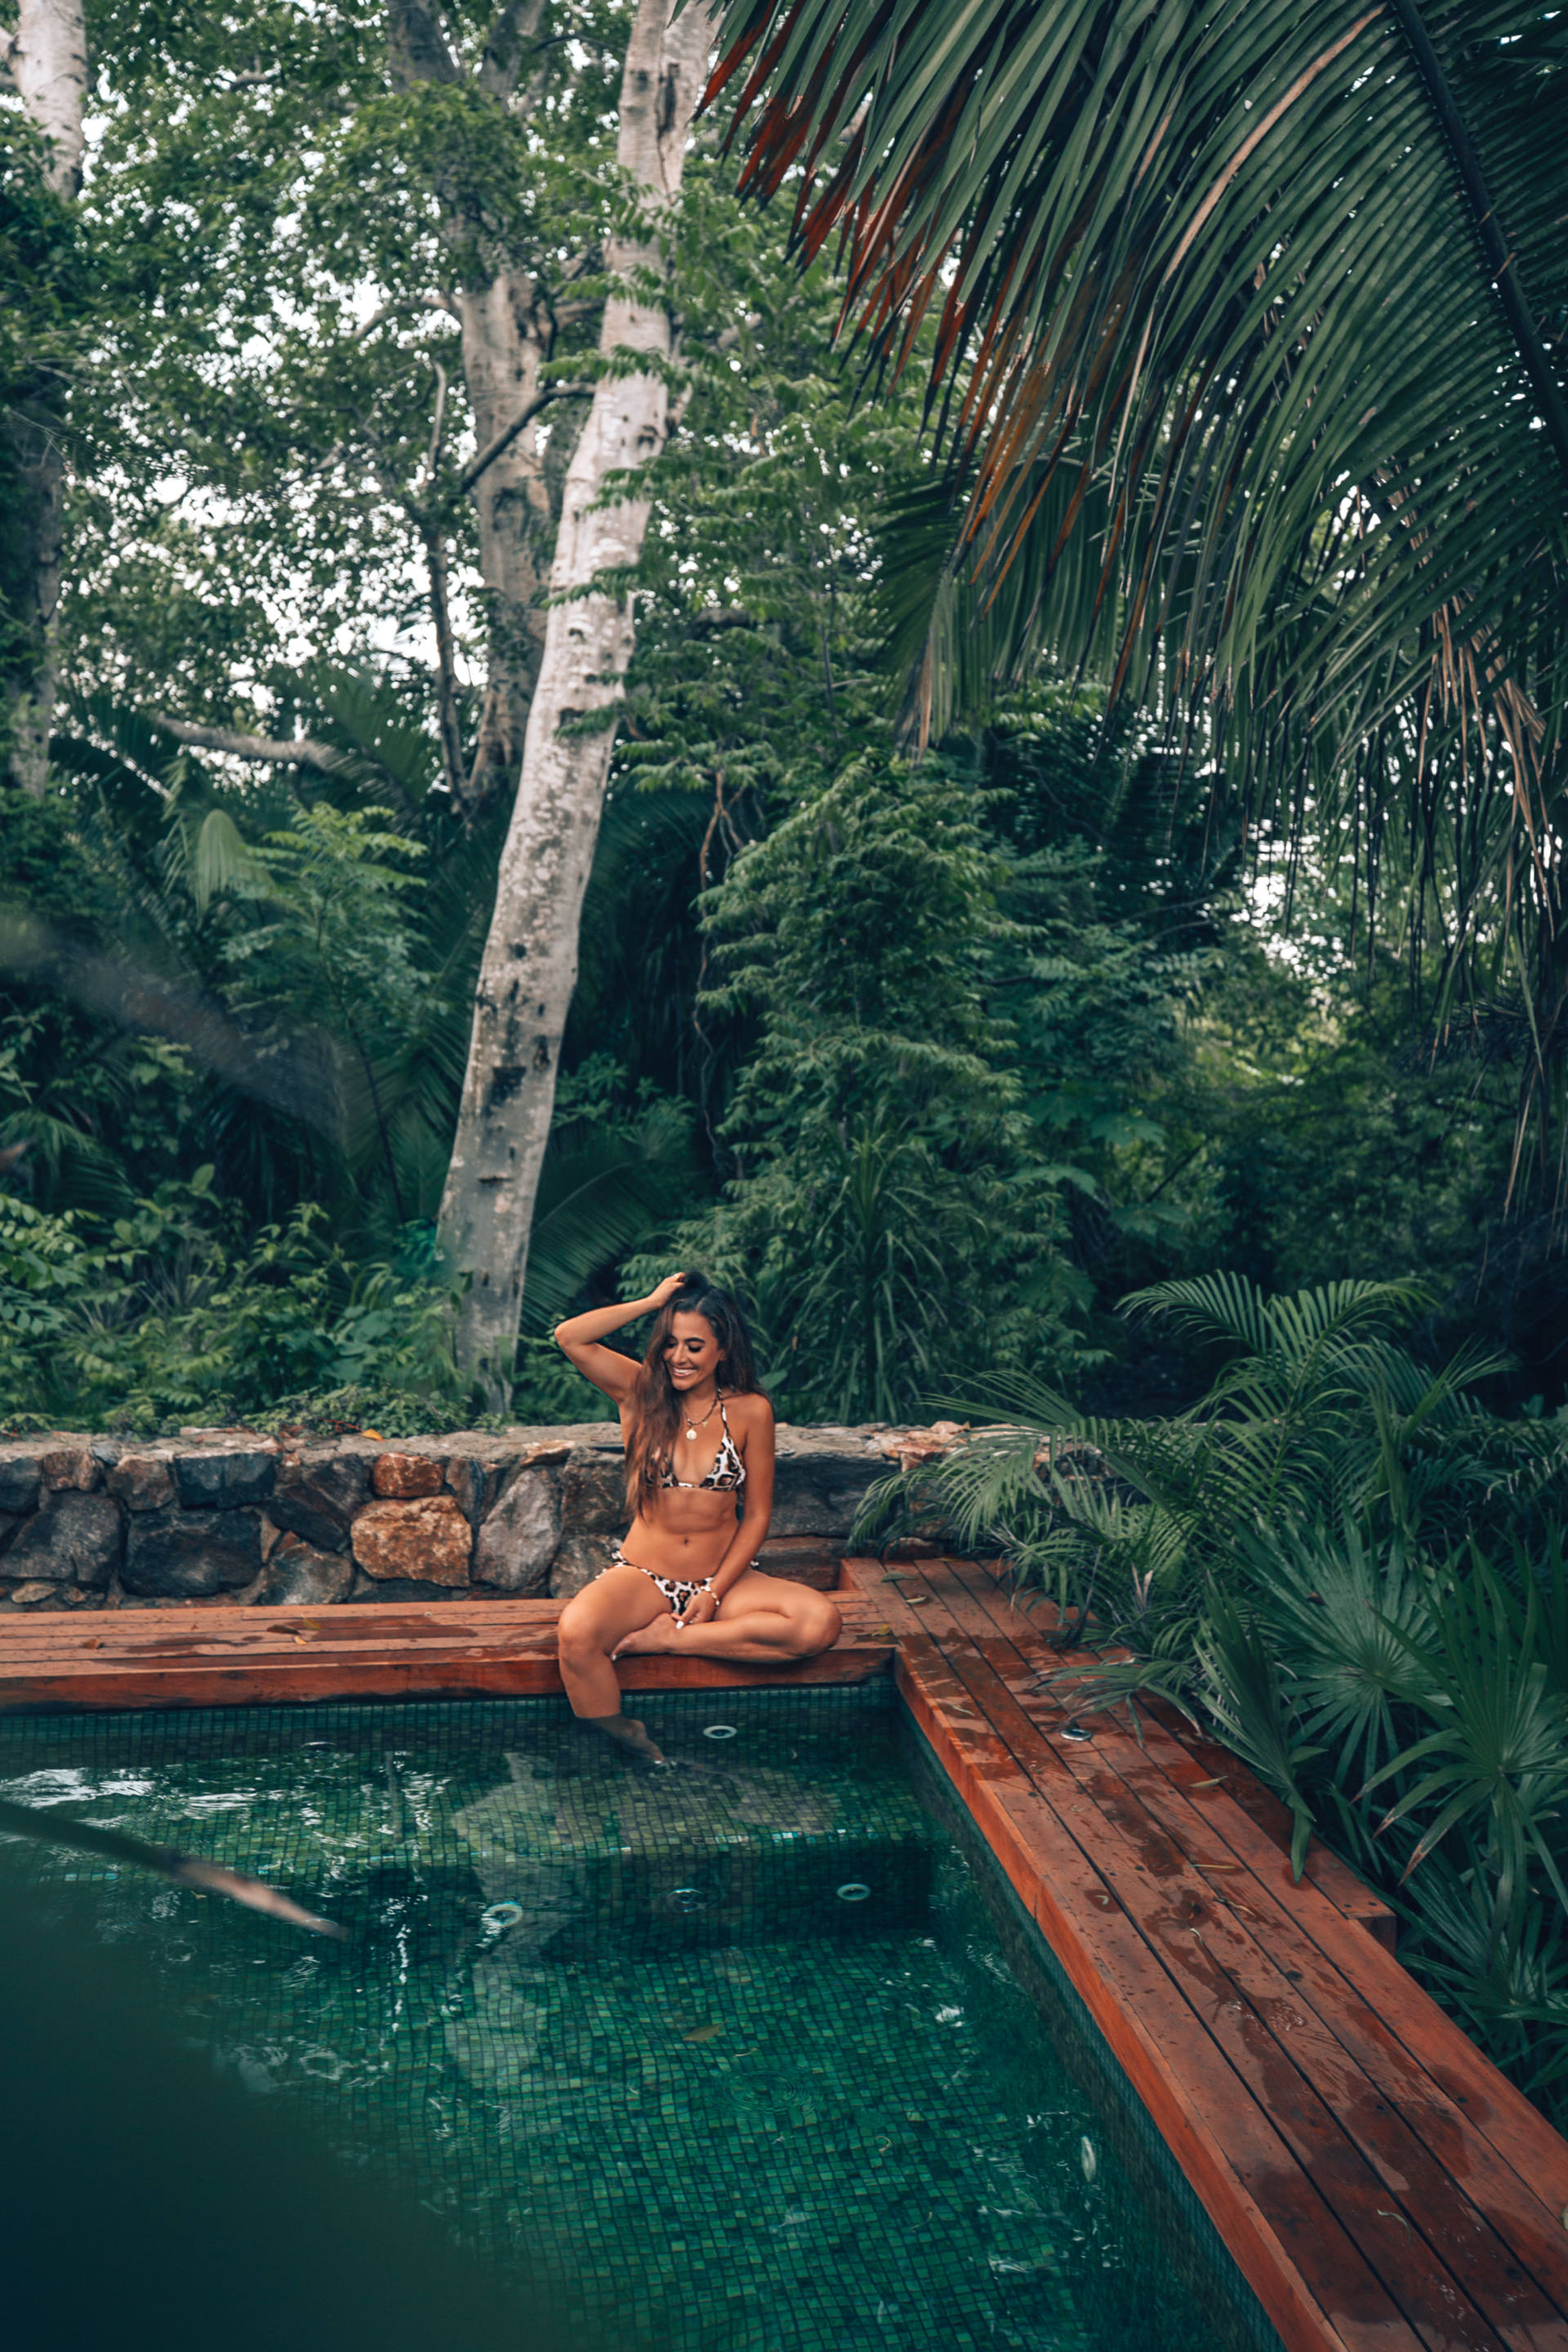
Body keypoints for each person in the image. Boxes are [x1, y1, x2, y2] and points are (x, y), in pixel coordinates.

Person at [552, 1272, 842, 1761]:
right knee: (576, 1634)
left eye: (693, 1345)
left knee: (819, 1624)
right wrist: (652, 1300)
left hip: (721, 1582)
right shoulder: (641, 1392)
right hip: (643, 1576)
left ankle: (673, 1640)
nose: (678, 1358)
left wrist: (712, 1592)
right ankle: (623, 1737)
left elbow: (757, 1516)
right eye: (669, 1343)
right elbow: (570, 1336)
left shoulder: (752, 1411)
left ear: (722, 1350)